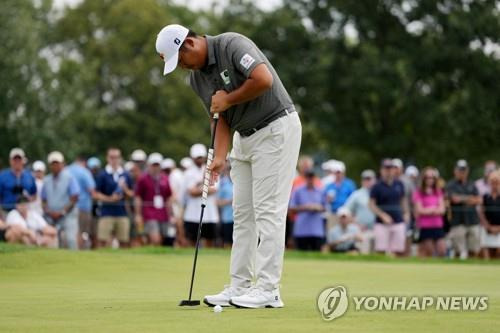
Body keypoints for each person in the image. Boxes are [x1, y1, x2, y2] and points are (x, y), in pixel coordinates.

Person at [156, 24, 301, 308]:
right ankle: (240, 285)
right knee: (242, 213)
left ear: (189, 44)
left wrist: (228, 98)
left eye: (181, 60)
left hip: (275, 128)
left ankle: (269, 289)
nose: (183, 67)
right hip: (243, 138)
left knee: (268, 210)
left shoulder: (232, 44)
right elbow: (219, 116)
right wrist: (218, 159)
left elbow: (263, 79)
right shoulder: (197, 80)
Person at [95, 148, 133, 248]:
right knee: (102, 240)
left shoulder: (125, 174)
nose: (114, 160)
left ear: (120, 158)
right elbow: (96, 194)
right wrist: (110, 199)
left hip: (122, 212)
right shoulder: (103, 174)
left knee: (124, 241)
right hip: (106, 212)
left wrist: (125, 189)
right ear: (108, 158)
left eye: (116, 157)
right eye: (112, 157)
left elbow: (132, 193)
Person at [369, 159, 409, 256]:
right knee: (381, 250)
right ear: (381, 170)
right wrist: (382, 215)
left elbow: (403, 201)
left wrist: (406, 213)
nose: (388, 171)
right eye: (386, 168)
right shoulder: (376, 186)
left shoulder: (399, 184)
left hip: (398, 220)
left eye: (390, 168)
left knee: (399, 250)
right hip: (381, 223)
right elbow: (371, 205)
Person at [182, 144, 219, 248]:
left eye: (201, 157)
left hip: (210, 214)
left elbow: (214, 189)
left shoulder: (212, 170)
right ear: (192, 157)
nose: (199, 159)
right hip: (192, 215)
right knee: (192, 242)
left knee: (209, 242)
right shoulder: (188, 173)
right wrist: (204, 187)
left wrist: (198, 188)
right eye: (197, 157)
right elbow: (191, 192)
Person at [41, 151, 80, 249]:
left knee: (71, 240)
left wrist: (62, 212)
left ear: (62, 164)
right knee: (51, 242)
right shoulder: (46, 180)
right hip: (51, 216)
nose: (55, 166)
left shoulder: (69, 178)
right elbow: (43, 199)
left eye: (57, 163)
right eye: (53, 164)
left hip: (68, 215)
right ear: (50, 165)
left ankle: (75, 261)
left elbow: (74, 198)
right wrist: (49, 212)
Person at [134, 153, 173, 246]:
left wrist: (171, 214)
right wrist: (138, 214)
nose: (155, 167)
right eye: (153, 165)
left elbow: (169, 197)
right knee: (155, 239)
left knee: (163, 238)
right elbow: (138, 197)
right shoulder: (143, 179)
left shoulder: (165, 178)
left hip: (163, 213)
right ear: (149, 165)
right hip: (149, 213)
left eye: (157, 165)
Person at [445, 159, 481, 259]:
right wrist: (469, 198)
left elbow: (478, 200)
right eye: (460, 170)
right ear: (455, 171)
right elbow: (454, 199)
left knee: (473, 250)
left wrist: (462, 198)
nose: (462, 172)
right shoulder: (450, 185)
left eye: (464, 170)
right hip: (457, 221)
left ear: (467, 171)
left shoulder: (472, 184)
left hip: (472, 220)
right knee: (458, 251)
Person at [412, 167, 446, 257]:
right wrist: (434, 209)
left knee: (442, 250)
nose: (430, 180)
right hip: (425, 226)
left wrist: (428, 210)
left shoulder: (438, 191)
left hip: (438, 225)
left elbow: (442, 210)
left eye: (432, 177)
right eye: (427, 177)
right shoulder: (418, 192)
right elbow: (420, 210)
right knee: (428, 251)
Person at [288, 170, 326, 251]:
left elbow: (325, 207)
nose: (310, 180)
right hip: (302, 230)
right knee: (301, 254)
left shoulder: (320, 191)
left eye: (312, 178)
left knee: (317, 255)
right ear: (305, 179)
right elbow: (291, 208)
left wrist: (318, 207)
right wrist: (305, 207)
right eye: (308, 178)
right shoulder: (298, 191)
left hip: (317, 230)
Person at [342, 169, 377, 254]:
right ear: (362, 181)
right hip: (361, 229)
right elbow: (345, 211)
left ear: (374, 180)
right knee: (364, 250)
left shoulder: (379, 193)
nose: (368, 182)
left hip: (377, 228)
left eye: (370, 179)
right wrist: (356, 224)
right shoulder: (356, 195)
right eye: (366, 179)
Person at [68, 156, 96, 249]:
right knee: (81, 232)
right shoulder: (84, 172)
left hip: (67, 207)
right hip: (83, 207)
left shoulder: (66, 170)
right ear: (84, 162)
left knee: (71, 231)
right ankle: (78, 251)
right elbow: (91, 190)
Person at [0, 148, 37, 213]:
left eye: (19, 159)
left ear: (23, 160)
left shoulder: (29, 176)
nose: (17, 161)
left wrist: (29, 198)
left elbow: (34, 194)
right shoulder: (2, 176)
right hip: (7, 210)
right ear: (10, 161)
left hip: (26, 211)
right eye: (15, 159)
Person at [323, 161, 356, 228]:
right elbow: (325, 200)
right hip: (333, 213)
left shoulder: (349, 184)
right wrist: (328, 199)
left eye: (339, 172)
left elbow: (353, 199)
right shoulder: (329, 186)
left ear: (343, 173)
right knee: (332, 233)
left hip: (346, 214)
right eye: (336, 173)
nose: (338, 175)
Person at [478, 170, 500, 259]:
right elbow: (481, 213)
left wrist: (498, 228)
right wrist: (488, 226)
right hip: (487, 227)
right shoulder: (485, 197)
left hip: (499, 228)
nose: (494, 185)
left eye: (496, 182)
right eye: (492, 182)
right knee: (485, 249)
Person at [217, 162, 234, 248]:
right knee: (227, 242)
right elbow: (217, 202)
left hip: (240, 218)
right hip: (227, 218)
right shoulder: (222, 183)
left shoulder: (241, 182)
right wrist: (230, 201)